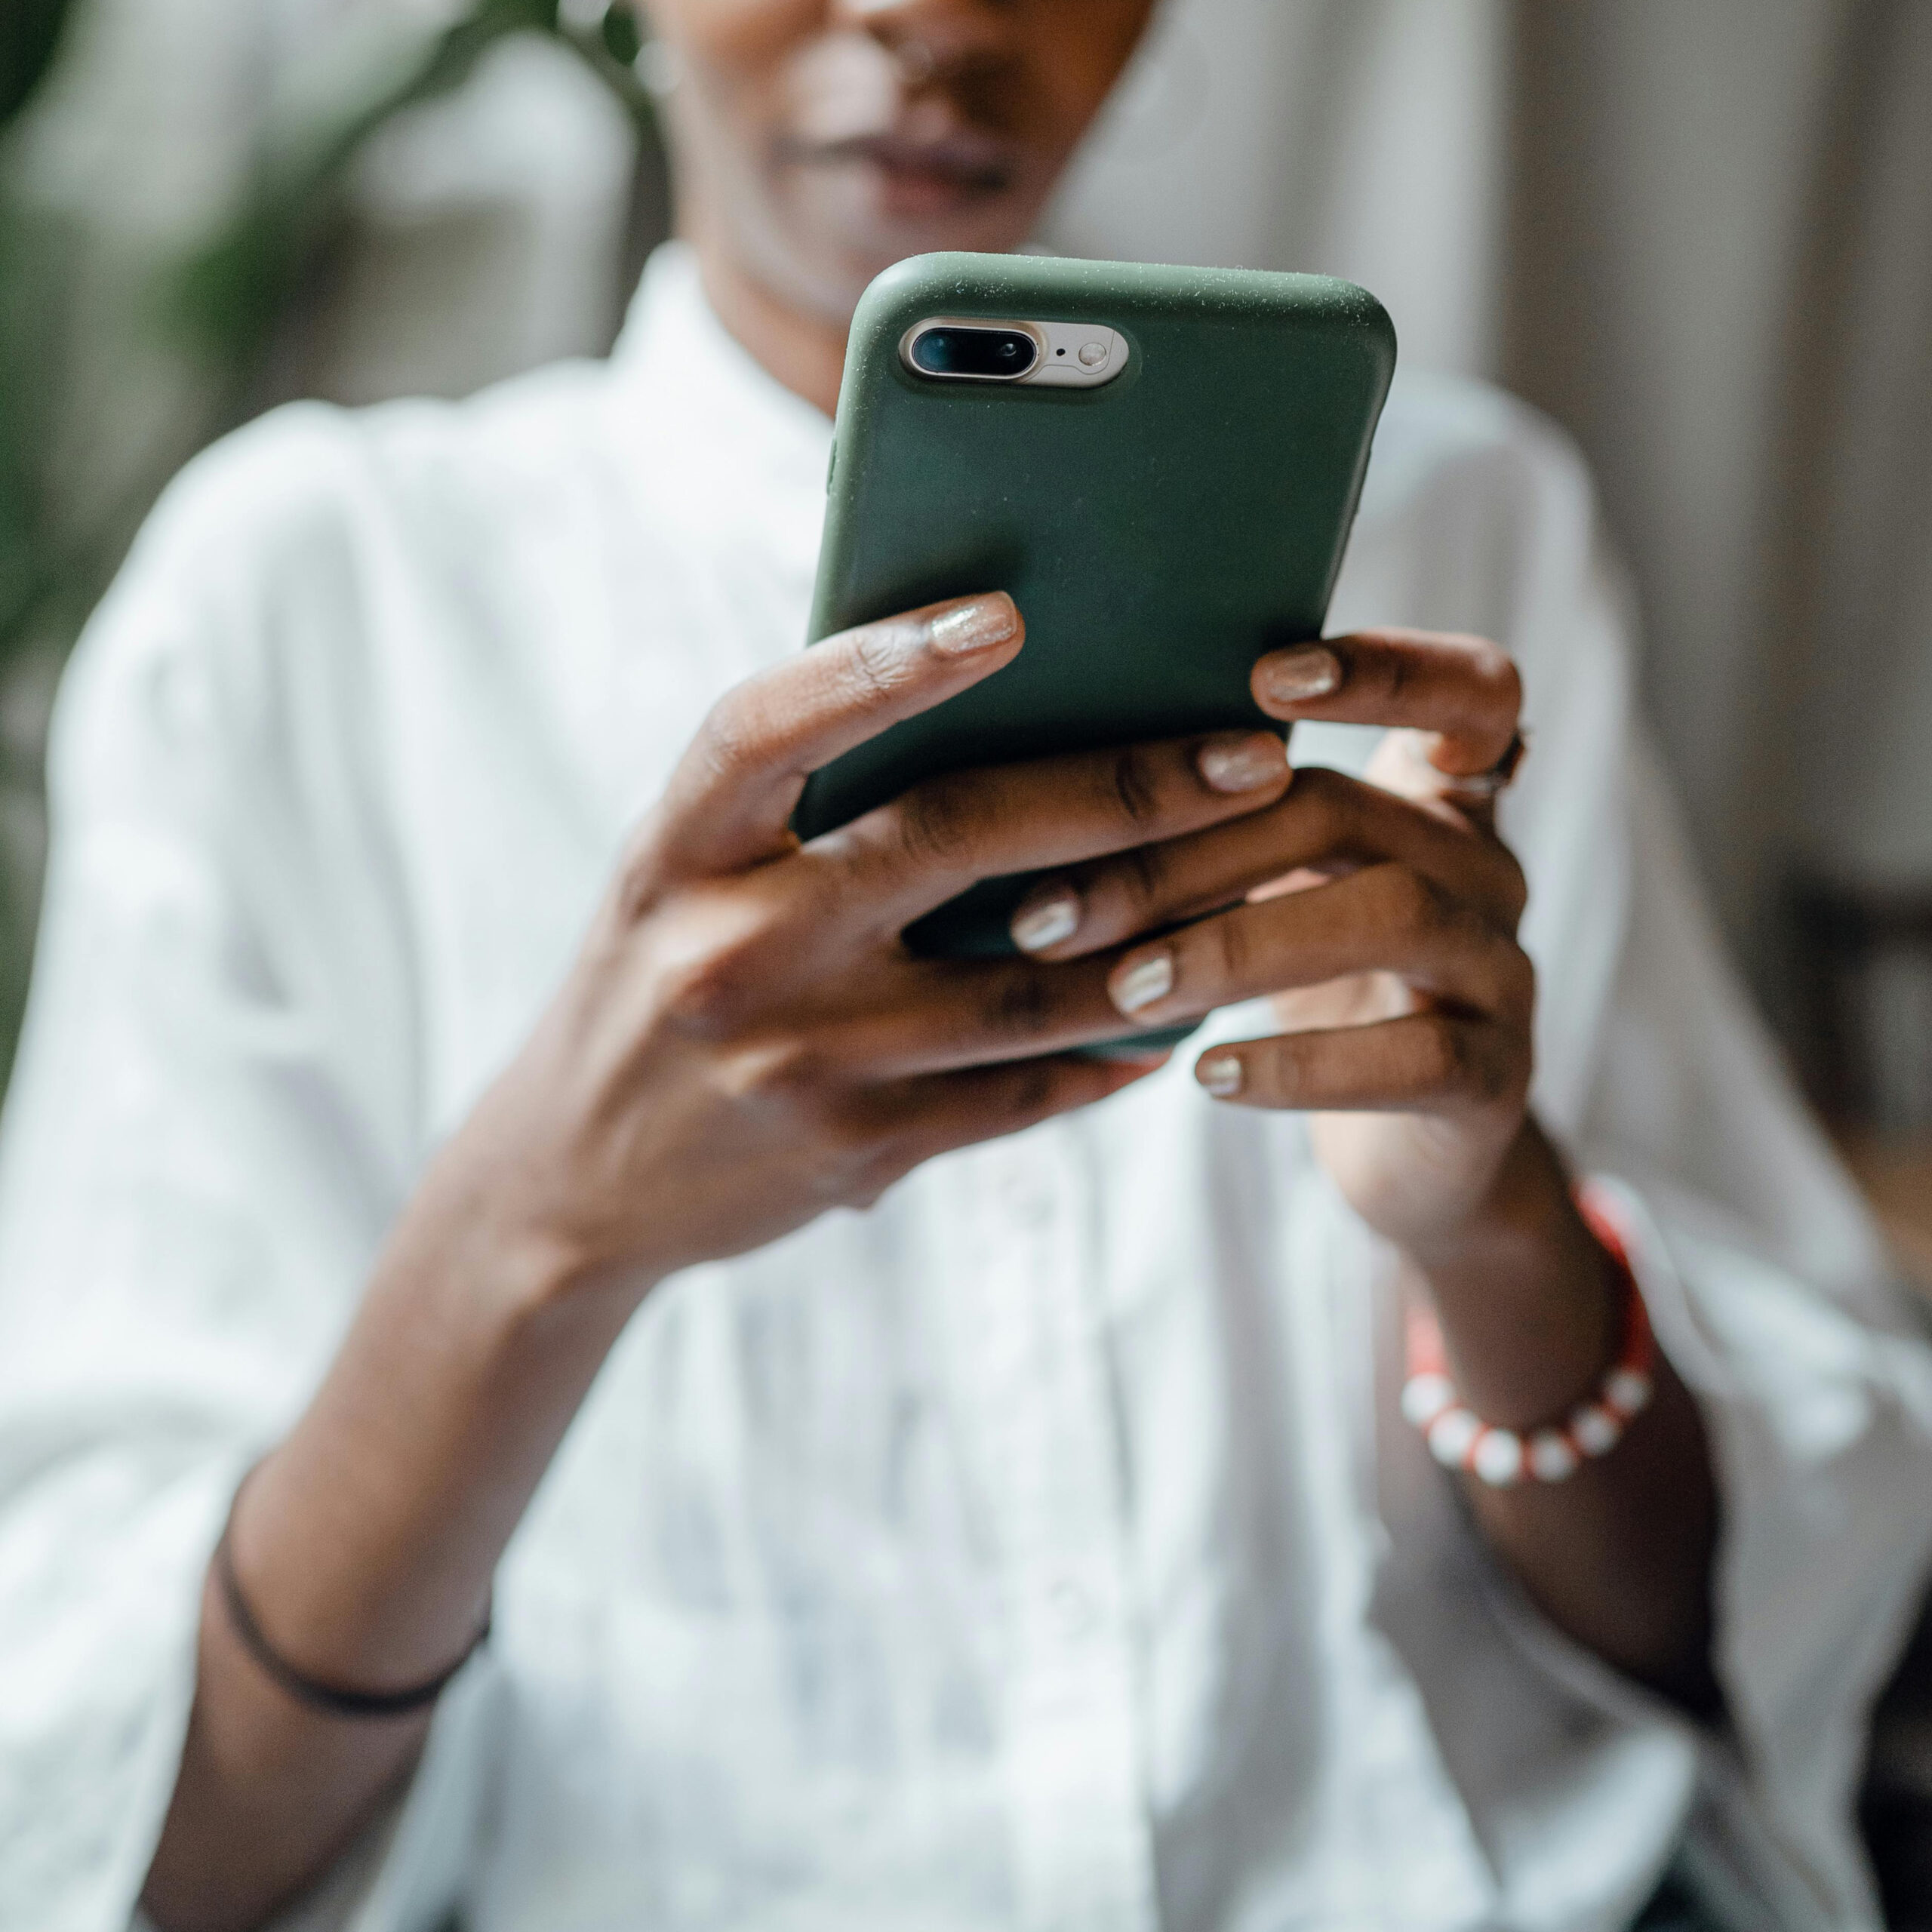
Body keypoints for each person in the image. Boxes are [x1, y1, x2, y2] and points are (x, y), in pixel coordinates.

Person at [1, 2, 1928, 1928]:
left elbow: (1743, 1631)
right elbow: (127, 1833)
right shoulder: (308, 598)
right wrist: (533, 1236)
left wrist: (1490, 1224)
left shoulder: (1458, 536)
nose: (933, 14)